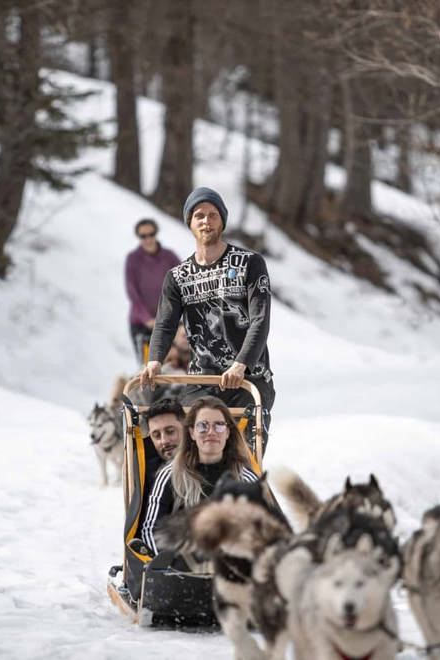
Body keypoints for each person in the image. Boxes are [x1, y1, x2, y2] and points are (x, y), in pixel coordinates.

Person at [138, 187, 275, 447]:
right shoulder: (178, 277)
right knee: (191, 455)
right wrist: (154, 360)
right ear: (189, 222)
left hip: (249, 380)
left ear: (222, 220)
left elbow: (260, 320)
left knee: (242, 457)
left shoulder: (249, 263)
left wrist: (241, 364)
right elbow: (165, 324)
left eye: (213, 215)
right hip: (202, 380)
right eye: (199, 215)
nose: (206, 221)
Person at [139, 397, 258, 555]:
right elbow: (150, 529)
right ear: (192, 432)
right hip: (181, 563)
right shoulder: (167, 474)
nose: (211, 432)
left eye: (219, 426)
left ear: (228, 432)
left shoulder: (244, 476)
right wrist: (165, 567)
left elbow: (267, 527)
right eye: (202, 426)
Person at [125, 218, 180, 366]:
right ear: (139, 237)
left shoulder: (169, 257)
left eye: (151, 234)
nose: (148, 239)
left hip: (168, 324)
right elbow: (133, 294)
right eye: (143, 236)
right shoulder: (133, 260)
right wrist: (147, 319)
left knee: (173, 365)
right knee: (148, 368)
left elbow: (182, 284)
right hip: (142, 326)